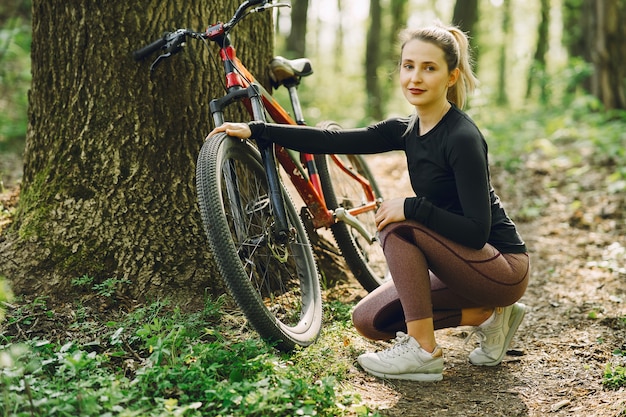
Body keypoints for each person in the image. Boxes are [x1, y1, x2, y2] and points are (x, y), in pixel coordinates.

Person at [208, 22, 530, 382]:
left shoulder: (462, 137)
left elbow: (475, 232)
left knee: (396, 222)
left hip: (501, 269)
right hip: (460, 265)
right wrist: (258, 130)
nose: (415, 77)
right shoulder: (407, 129)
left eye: (429, 68)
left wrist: (411, 208)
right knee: (370, 320)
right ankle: (492, 318)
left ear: (451, 77)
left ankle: (423, 353)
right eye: (409, 66)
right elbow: (333, 141)